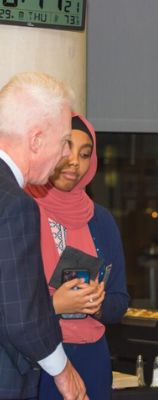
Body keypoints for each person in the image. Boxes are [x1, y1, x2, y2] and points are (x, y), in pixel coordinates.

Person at [0, 72, 89, 400]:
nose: (67, 154)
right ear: (36, 139)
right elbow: (20, 315)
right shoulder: (15, 205)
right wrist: (63, 371)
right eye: (65, 140)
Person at [28, 115, 129, 400]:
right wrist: (55, 304)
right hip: (37, 359)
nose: (75, 161)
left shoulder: (101, 219)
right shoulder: (21, 211)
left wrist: (97, 304)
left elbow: (119, 302)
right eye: (66, 148)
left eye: (85, 154)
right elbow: (9, 305)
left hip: (92, 357)